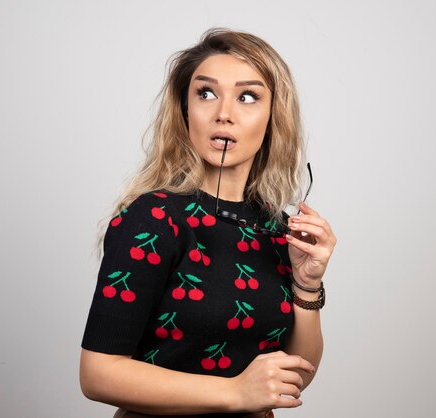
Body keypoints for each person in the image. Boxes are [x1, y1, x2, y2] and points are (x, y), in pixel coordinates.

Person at [80, 28, 337, 418]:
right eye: (206, 93)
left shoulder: (276, 228)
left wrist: (307, 284)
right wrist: (235, 391)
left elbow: (293, 376)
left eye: (247, 96)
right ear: (185, 110)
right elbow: (97, 374)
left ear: (273, 117)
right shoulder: (154, 217)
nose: (224, 113)